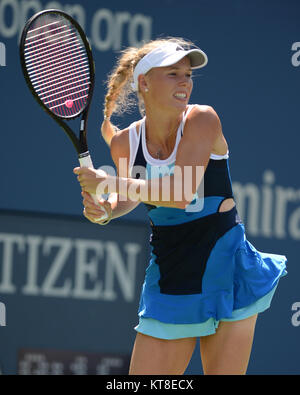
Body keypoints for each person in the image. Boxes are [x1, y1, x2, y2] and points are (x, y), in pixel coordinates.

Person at [73, 38, 287, 375]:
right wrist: (106, 210)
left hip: (226, 269)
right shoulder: (125, 142)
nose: (185, 81)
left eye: (187, 74)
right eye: (172, 73)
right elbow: (132, 196)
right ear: (144, 83)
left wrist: (109, 183)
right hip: (170, 276)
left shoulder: (202, 119)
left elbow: (180, 193)